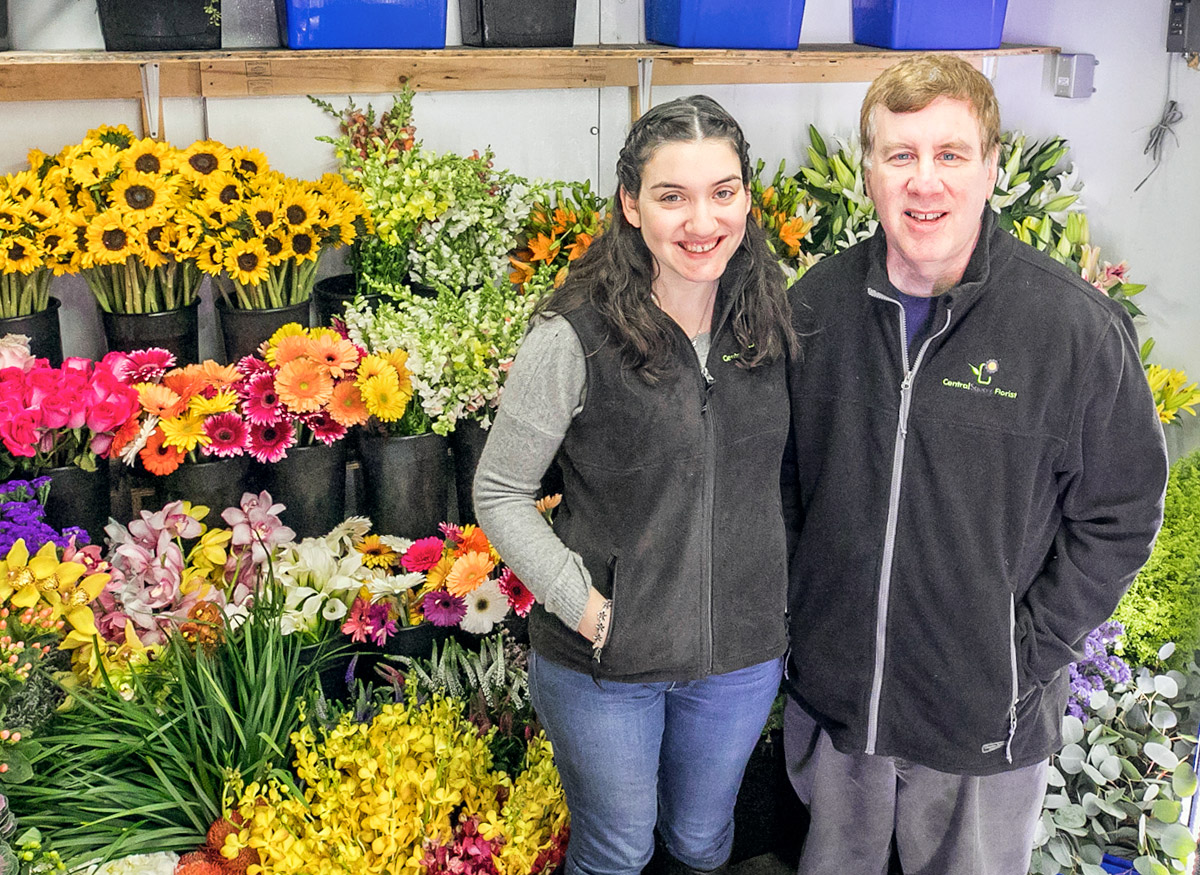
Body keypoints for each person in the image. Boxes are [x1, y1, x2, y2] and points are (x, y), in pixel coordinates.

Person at [781, 54, 1168, 875]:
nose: (926, 182)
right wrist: (799, 631)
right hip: (838, 709)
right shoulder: (815, 309)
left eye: (951, 154)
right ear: (869, 172)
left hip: (984, 727)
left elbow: (1124, 510)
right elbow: (782, 488)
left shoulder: (1072, 330)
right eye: (901, 155)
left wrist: (1024, 654)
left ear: (991, 167)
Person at [474, 94, 796, 875]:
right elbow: (500, 490)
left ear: (747, 198)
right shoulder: (574, 336)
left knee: (701, 840)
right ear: (630, 204)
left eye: (723, 192)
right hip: (605, 665)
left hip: (738, 661)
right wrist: (584, 606)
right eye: (672, 196)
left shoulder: (773, 320)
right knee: (617, 849)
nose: (701, 221)